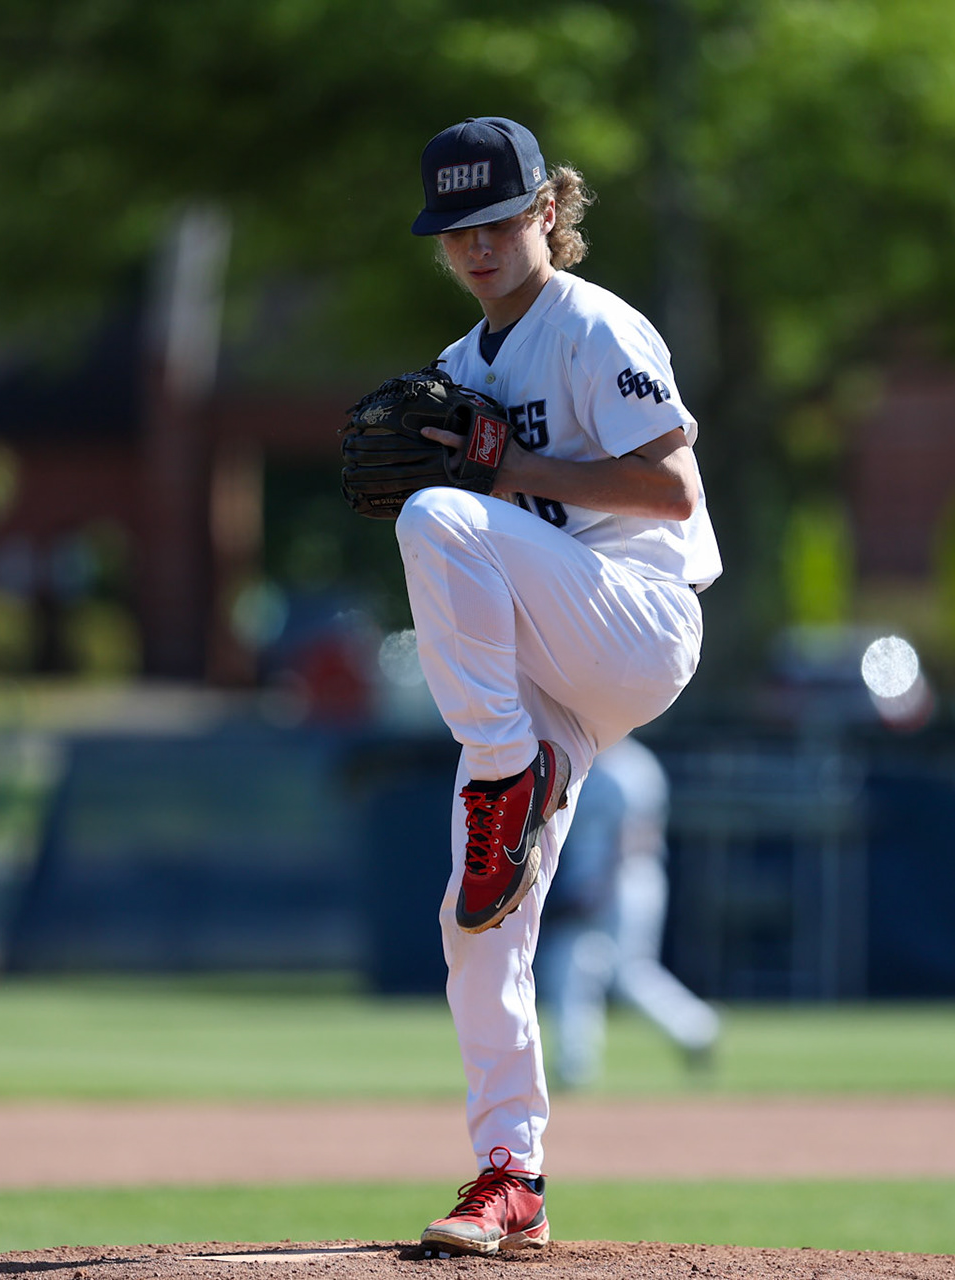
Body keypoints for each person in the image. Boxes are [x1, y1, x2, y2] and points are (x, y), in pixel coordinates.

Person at [395, 117, 721, 1257]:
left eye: (497, 219)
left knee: (436, 509)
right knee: (477, 917)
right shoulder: (457, 365)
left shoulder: (594, 324)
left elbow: (674, 492)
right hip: (546, 667)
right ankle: (510, 1173)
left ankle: (503, 770)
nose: (476, 246)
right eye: (456, 229)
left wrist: (501, 472)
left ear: (548, 211)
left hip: (636, 621)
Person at [536, 734, 720, 1090]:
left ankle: (696, 1027)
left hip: (625, 880)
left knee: (625, 973)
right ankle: (575, 1062)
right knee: (571, 964)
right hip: (590, 881)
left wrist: (600, 889)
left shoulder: (633, 766)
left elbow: (638, 836)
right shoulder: (581, 759)